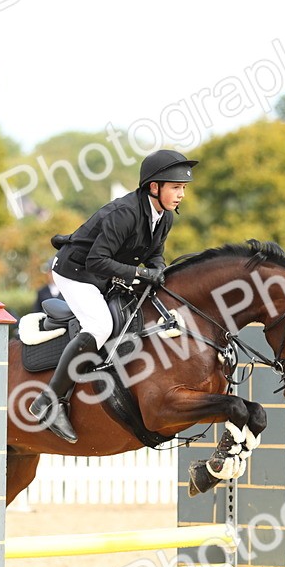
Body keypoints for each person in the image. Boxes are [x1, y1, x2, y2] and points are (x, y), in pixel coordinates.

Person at [29, 148, 196, 443]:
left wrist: (159, 271)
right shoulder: (125, 213)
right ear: (153, 187)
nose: (181, 194)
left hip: (105, 272)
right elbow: (96, 261)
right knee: (100, 326)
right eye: (175, 187)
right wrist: (143, 275)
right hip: (76, 271)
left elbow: (155, 254)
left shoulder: (164, 217)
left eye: (183, 188)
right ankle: (49, 401)